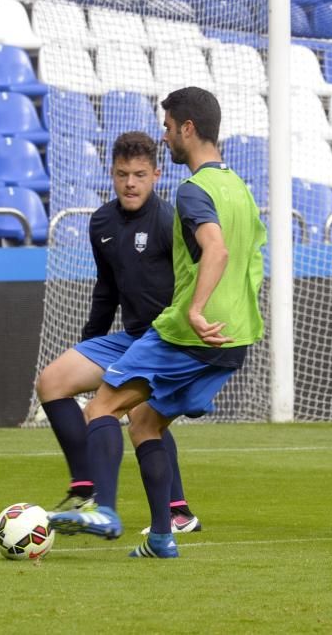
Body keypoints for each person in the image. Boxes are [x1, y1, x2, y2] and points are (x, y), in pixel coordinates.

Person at [50, 87, 266, 558]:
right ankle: (164, 537)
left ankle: (102, 508)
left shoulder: (193, 191)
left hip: (187, 332)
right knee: (146, 426)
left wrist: (193, 309)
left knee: (101, 409)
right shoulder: (240, 189)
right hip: (234, 339)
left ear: (187, 128)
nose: (164, 136)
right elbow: (250, 261)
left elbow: (217, 249)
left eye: (167, 127)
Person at [35, 131, 201, 535]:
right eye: (123, 174)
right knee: (52, 382)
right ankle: (86, 487)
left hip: (167, 340)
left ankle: (177, 513)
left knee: (145, 418)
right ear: (111, 174)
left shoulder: (169, 222)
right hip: (129, 339)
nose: (130, 183)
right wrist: (89, 342)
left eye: (140, 174)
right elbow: (106, 288)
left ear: (157, 175)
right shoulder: (102, 222)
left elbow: (197, 280)